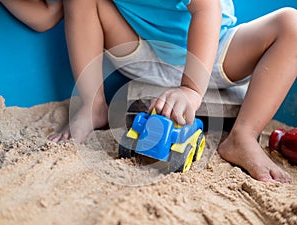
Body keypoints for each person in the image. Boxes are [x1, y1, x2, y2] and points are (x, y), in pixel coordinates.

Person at [47, 0, 296, 183]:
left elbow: (207, 9)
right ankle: (94, 105)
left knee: (291, 23)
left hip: (214, 54)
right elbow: (44, 16)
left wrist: (191, 89)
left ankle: (243, 134)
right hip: (142, 50)